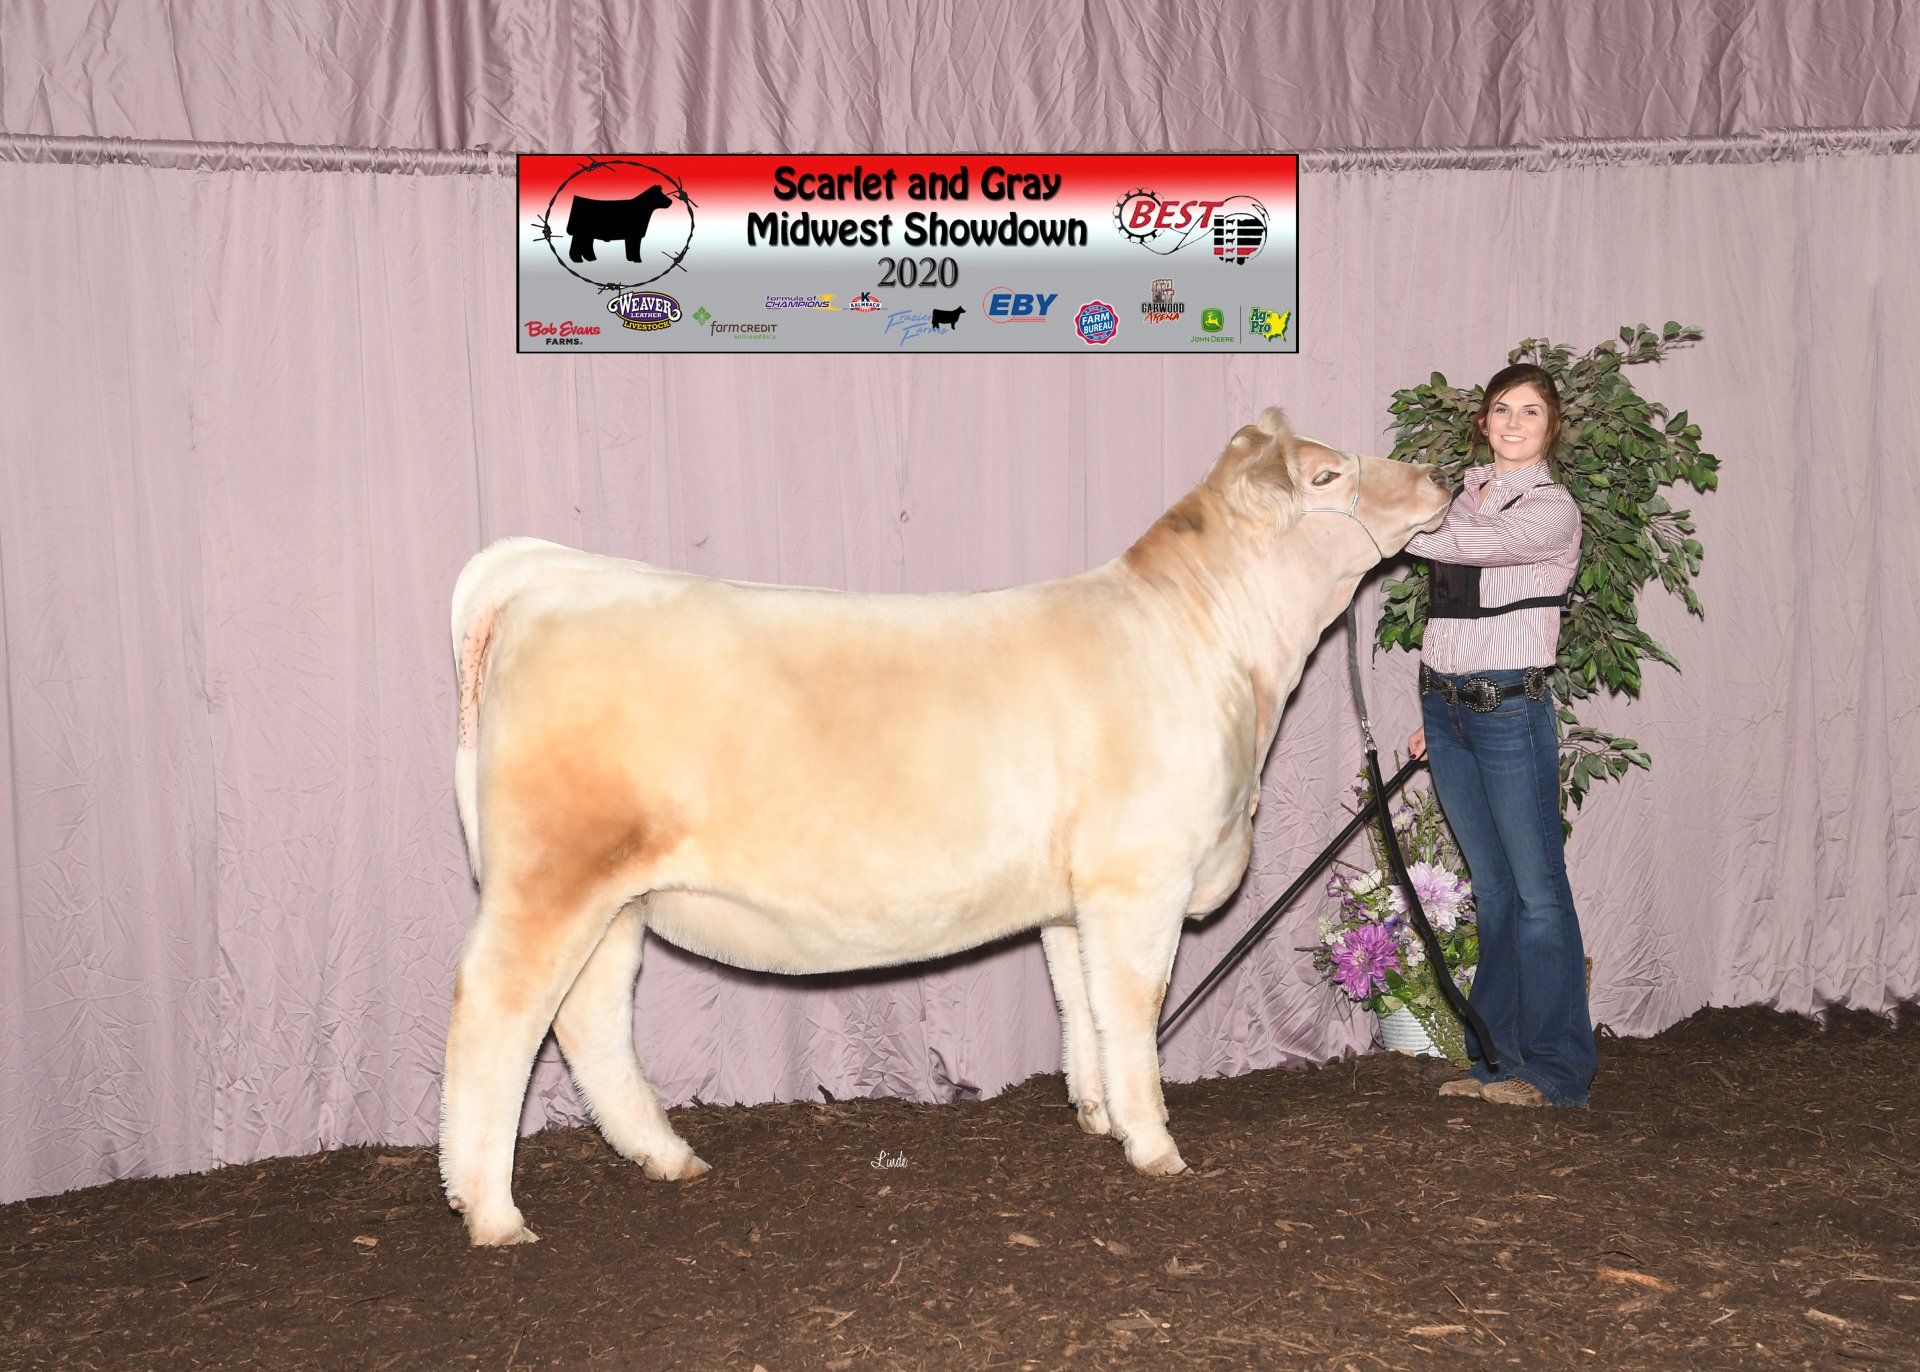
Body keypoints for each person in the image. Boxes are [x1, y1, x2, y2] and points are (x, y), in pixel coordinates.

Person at [1404, 362, 1596, 1109]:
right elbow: (1451, 606)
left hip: (1510, 708)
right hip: (1449, 708)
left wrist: (1401, 512)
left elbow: (1461, 547)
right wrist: (1431, 718)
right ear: (1482, 423)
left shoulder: (1551, 508)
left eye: (1530, 413)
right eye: (1501, 411)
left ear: (1551, 428)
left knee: (1539, 894)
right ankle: (1498, 1061)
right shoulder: (1465, 495)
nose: (1513, 424)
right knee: (1495, 889)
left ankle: (1556, 1073)